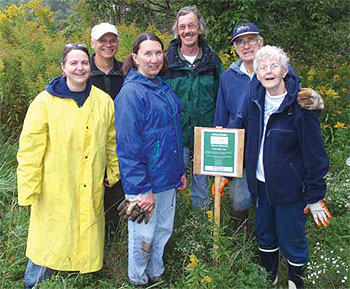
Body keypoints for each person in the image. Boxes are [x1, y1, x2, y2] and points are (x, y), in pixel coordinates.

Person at [17, 43, 120, 289]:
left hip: (90, 180)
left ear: (90, 67)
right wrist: (29, 186)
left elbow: (111, 141)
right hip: (54, 185)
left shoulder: (103, 101)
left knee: (85, 231)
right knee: (49, 240)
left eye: (84, 62)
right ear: (63, 67)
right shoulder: (44, 102)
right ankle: (35, 283)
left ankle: (79, 280)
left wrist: (113, 172)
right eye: (73, 63)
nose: (79, 67)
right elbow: (30, 148)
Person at [213, 22, 324, 226]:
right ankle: (243, 241)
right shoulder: (228, 77)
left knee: (269, 199)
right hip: (239, 151)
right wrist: (221, 163)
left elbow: (298, 99)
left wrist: (315, 101)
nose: (246, 46)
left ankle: (273, 241)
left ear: (260, 42)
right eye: (240, 42)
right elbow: (221, 117)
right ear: (235, 48)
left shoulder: (277, 70)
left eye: (251, 40)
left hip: (270, 151)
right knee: (240, 200)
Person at [244, 45, 331, 289]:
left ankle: (296, 281)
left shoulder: (301, 106)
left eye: (274, 66)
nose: (268, 71)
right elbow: (246, 138)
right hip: (260, 185)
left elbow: (316, 156)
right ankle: (268, 274)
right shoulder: (255, 100)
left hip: (291, 189)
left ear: (284, 71)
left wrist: (314, 196)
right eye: (263, 67)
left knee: (292, 237)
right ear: (257, 73)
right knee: (265, 232)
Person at [114, 33, 187, 286]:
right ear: (135, 57)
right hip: (146, 184)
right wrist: (141, 189)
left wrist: (180, 171)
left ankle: (157, 273)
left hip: (168, 177)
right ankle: (138, 280)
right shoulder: (131, 93)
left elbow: (171, 134)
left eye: (158, 53)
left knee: (163, 231)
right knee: (143, 234)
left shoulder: (162, 86)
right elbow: (128, 147)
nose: (154, 59)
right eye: (148, 53)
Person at [164, 6, 223, 209]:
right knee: (171, 186)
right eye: (182, 27)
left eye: (192, 25)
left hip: (204, 134)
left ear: (200, 29)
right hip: (175, 134)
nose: (187, 31)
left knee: (202, 189)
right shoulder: (166, 61)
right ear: (177, 31)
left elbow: (220, 97)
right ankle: (174, 226)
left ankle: (201, 228)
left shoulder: (212, 61)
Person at [90, 22, 124, 242]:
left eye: (112, 40)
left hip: (120, 142)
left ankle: (112, 245)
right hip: (91, 142)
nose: (108, 45)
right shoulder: (84, 71)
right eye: (103, 40)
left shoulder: (125, 71)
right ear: (93, 43)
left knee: (115, 191)